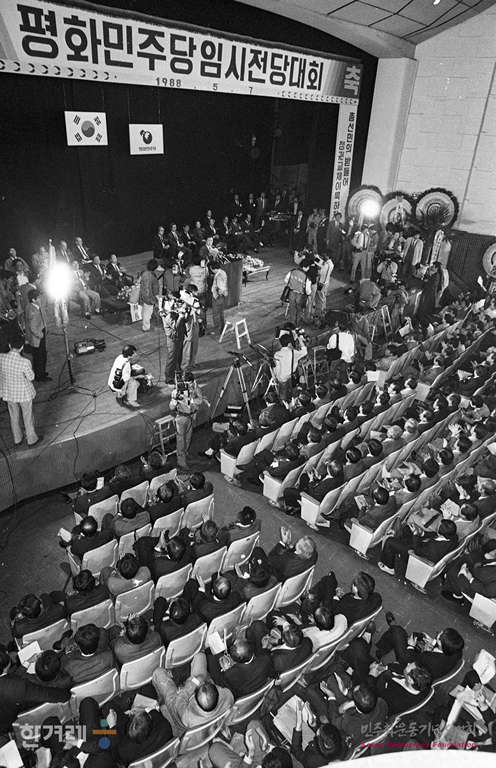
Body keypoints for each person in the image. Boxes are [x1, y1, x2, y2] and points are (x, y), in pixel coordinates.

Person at [152, 650, 233, 735]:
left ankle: (161, 700)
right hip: (204, 712)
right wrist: (200, 680)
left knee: (158, 673)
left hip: (178, 709)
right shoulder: (228, 696)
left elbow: (181, 697)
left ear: (195, 698)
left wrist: (193, 682)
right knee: (200, 655)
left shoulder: (186, 717)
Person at [0, 650, 70, 735]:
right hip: (9, 722)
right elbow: (46, 694)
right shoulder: (20, 686)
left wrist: (27, 662)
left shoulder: (23, 679)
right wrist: (68, 695)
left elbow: (15, 677)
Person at [0, 335, 41, 447]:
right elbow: (31, 377)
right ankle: (31, 439)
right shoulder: (24, 362)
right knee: (27, 416)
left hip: (8, 392)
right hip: (23, 393)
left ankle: (17, 439)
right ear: (22, 347)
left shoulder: (1, 358)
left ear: (9, 345)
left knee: (13, 416)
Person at [292, 701, 343, 767]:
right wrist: (314, 726)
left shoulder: (312, 761)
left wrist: (299, 722)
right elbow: (327, 737)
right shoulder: (339, 743)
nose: (319, 728)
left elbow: (297, 751)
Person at [170, 373, 204, 472]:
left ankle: (185, 454)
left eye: (190, 383)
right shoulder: (176, 391)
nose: (187, 386)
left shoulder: (196, 388)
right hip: (181, 417)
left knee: (188, 438)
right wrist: (174, 401)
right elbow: (171, 407)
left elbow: (200, 400)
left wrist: (191, 400)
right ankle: (181, 462)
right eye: (186, 383)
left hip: (191, 416)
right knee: (181, 440)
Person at [108, 343, 146, 410]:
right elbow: (126, 379)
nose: (135, 354)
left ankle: (119, 395)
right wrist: (138, 376)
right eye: (134, 353)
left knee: (126, 379)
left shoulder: (119, 357)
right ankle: (131, 400)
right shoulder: (127, 365)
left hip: (111, 384)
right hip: (118, 387)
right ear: (130, 355)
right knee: (135, 383)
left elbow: (121, 369)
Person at [272, 331, 308, 402]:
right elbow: (305, 351)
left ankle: (284, 404)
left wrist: (276, 377)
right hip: (291, 377)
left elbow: (276, 368)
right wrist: (300, 339)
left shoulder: (277, 354)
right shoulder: (293, 353)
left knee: (283, 394)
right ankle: (293, 402)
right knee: (293, 393)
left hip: (281, 378)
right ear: (289, 343)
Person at [24, 288, 50, 382]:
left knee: (39, 355)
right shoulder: (33, 311)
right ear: (33, 299)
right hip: (37, 337)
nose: (40, 298)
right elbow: (33, 328)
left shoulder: (32, 306)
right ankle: (40, 376)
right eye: (38, 297)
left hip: (39, 333)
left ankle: (40, 372)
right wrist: (40, 335)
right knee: (40, 356)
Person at [313, 253, 334, 326]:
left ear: (328, 256)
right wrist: (317, 257)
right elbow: (322, 263)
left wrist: (316, 259)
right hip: (325, 283)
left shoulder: (327, 265)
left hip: (321, 283)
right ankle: (323, 311)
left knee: (319, 299)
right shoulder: (330, 263)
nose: (324, 256)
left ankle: (318, 314)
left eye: (325, 255)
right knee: (323, 298)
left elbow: (321, 271)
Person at [139, 259, 159, 332]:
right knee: (147, 313)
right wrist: (154, 298)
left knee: (144, 311)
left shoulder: (144, 273)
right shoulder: (152, 276)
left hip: (143, 295)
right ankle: (146, 327)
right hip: (149, 297)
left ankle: (145, 325)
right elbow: (153, 288)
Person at [211, 263, 229, 334]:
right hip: (222, 296)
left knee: (216, 314)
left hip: (218, 296)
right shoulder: (223, 272)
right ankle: (222, 328)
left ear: (213, 268)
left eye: (211, 269)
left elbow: (220, 288)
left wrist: (217, 295)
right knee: (221, 313)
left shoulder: (218, 276)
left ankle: (217, 330)